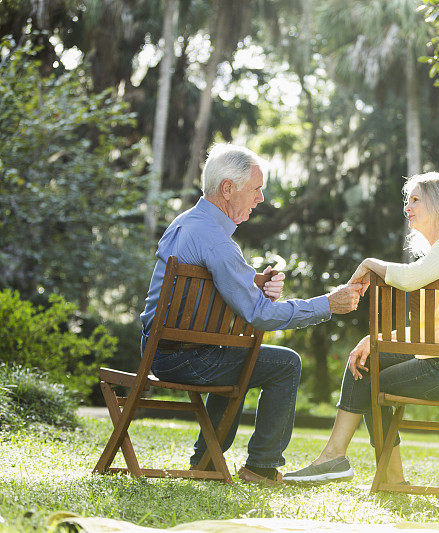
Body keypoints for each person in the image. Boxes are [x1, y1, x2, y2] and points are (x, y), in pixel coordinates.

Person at [139, 143, 363, 485]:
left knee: (241, 357)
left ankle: (207, 461)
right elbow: (259, 315)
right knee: (285, 363)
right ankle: (261, 466)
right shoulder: (218, 243)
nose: (259, 199)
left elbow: (201, 295)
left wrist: (253, 283)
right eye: (255, 189)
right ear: (228, 189)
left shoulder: (187, 224)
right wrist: (328, 304)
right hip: (186, 359)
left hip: (158, 351)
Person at [283, 172, 439, 484]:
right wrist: (377, 339)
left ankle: (355, 465)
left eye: (415, 200)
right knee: (365, 360)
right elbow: (435, 331)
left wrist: (370, 263)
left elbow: (409, 278)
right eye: (406, 200)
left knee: (371, 380)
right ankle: (365, 468)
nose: (407, 207)